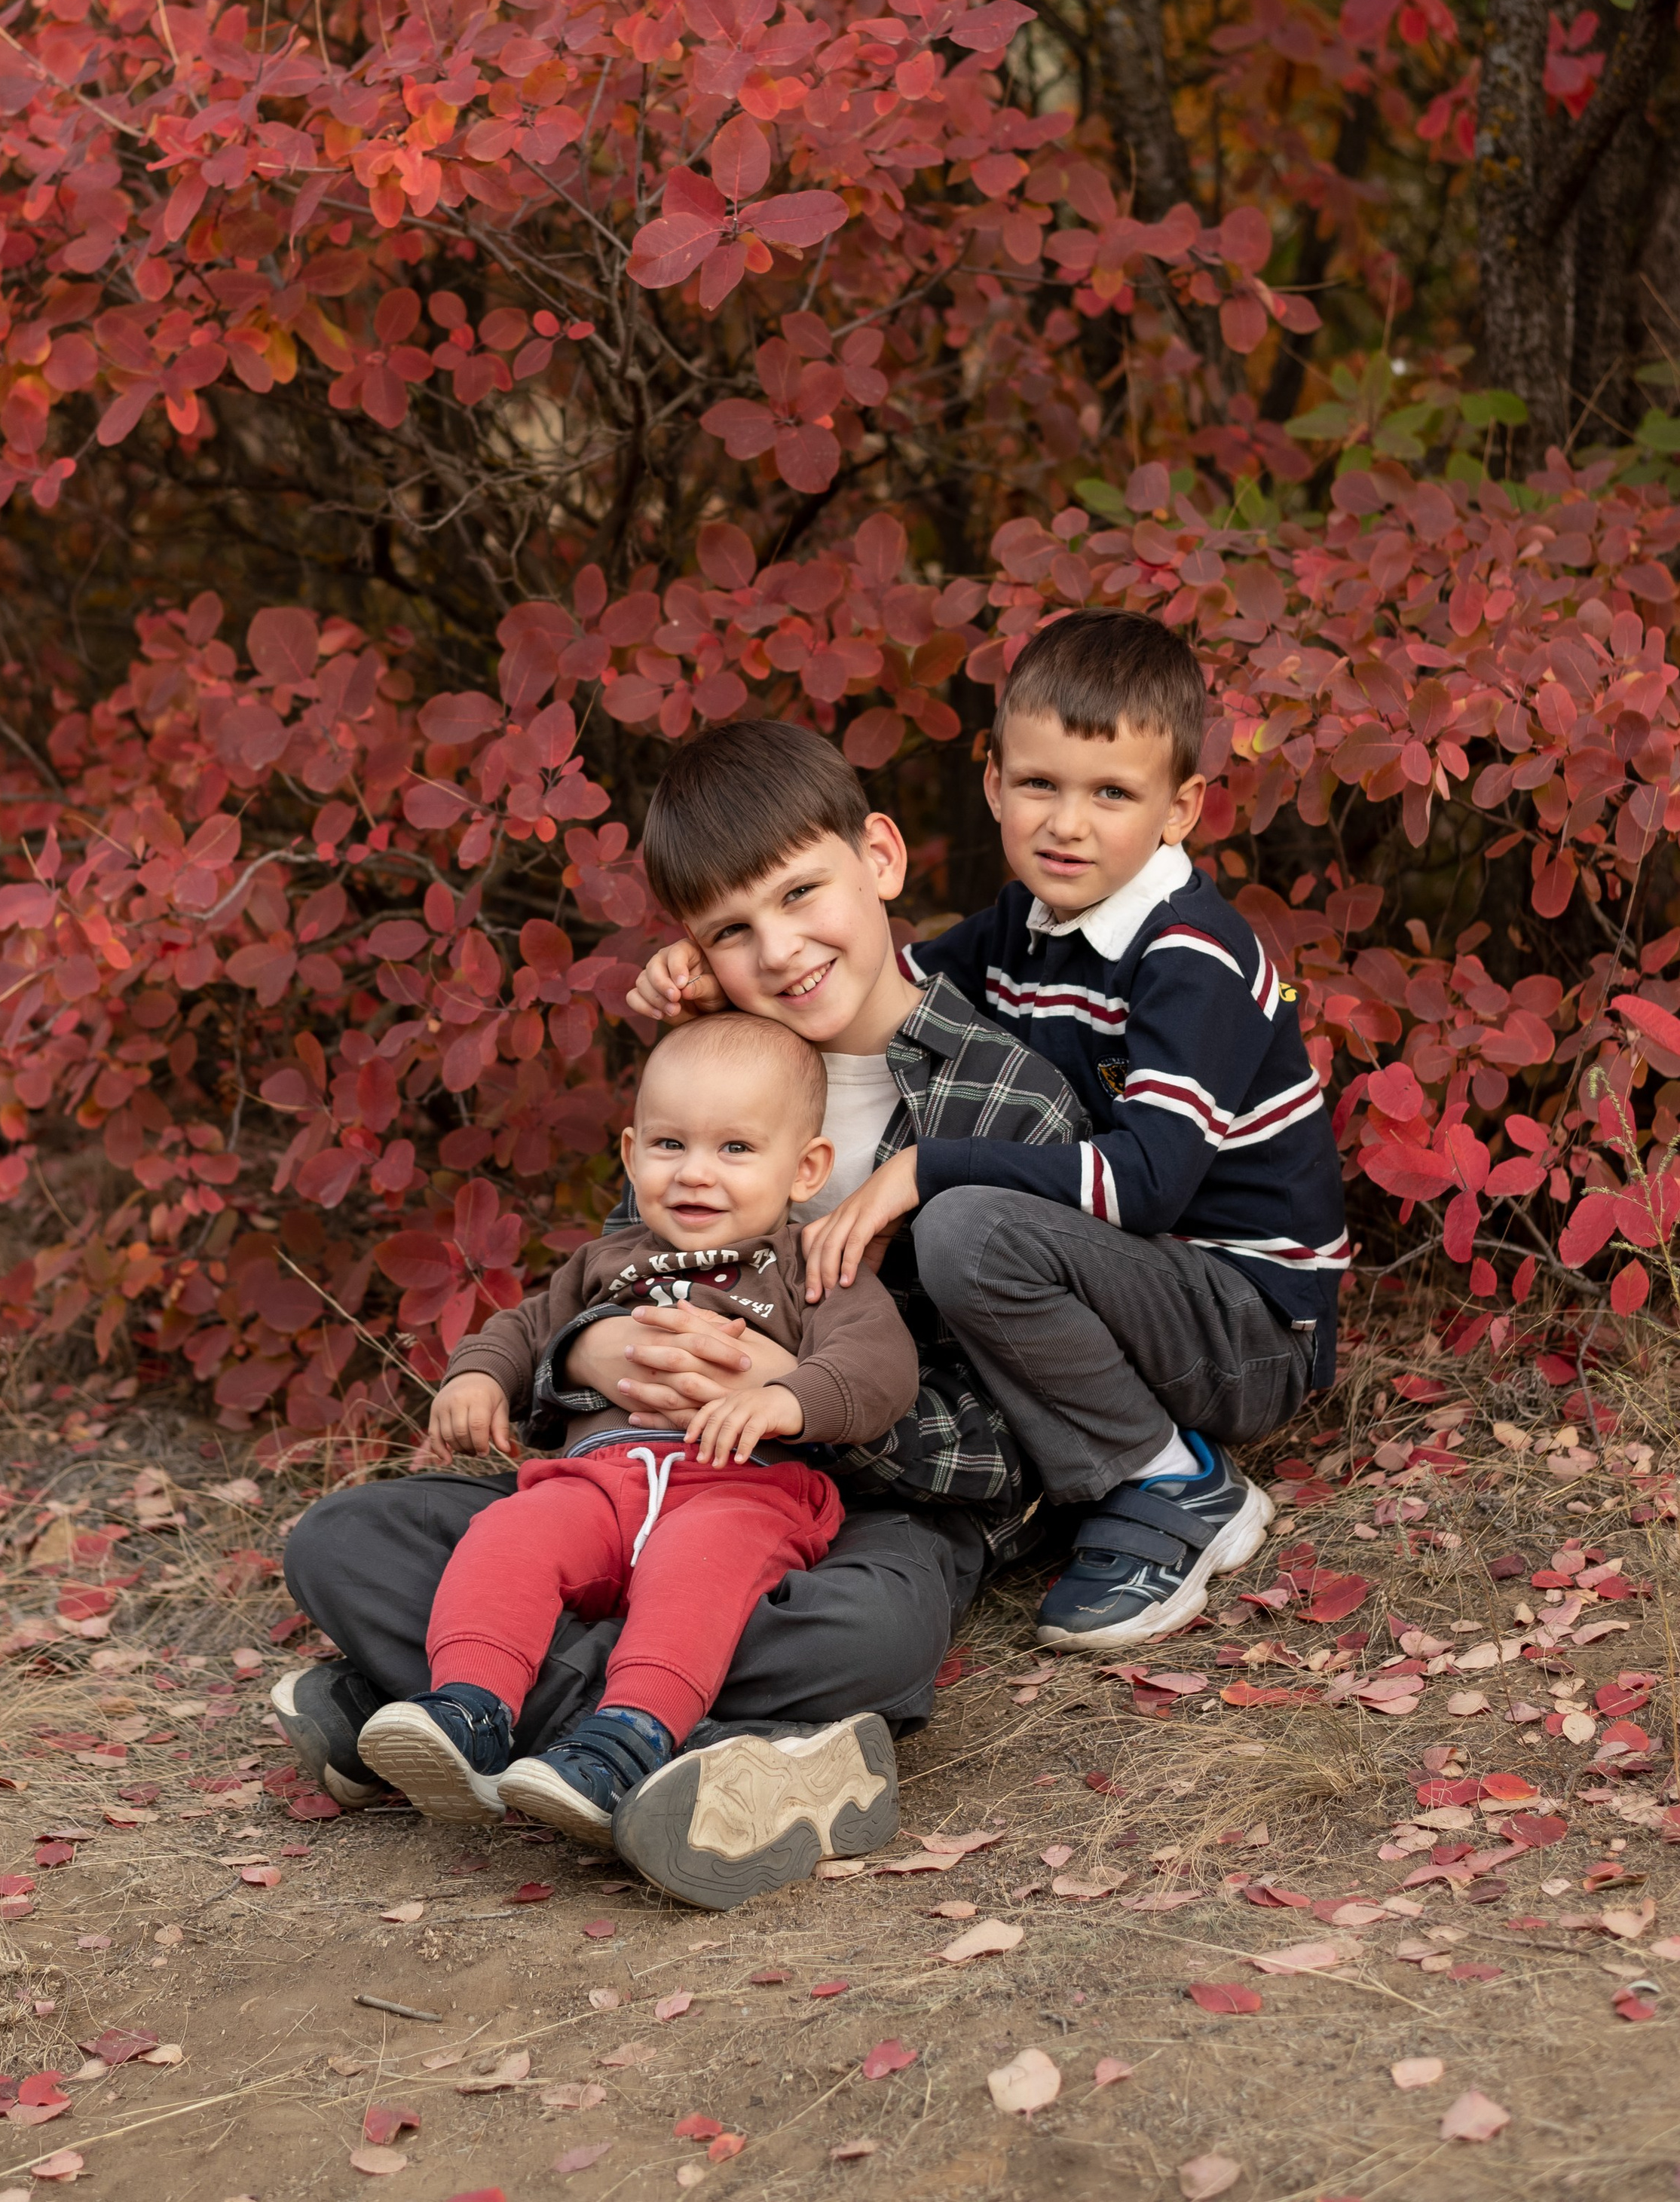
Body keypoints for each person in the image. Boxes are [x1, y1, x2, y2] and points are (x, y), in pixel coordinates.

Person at [274, 721, 1085, 1904]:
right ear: (696, 949)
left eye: (803, 894)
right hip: (634, 1482)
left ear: (883, 858)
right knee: (338, 1542)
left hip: (859, 1517)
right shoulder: (702, 1083)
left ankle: (469, 1705)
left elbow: (1016, 1444)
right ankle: (670, 1742)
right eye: (733, 930)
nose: (783, 950)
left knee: (881, 1638)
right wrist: (585, 1353)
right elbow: (614, 1274)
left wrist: (795, 1399)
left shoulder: (1010, 1094)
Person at [645, 613, 1346, 1650]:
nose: (1068, 823)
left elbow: (1149, 1182)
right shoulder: (1028, 923)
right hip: (1133, 1284)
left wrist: (927, 1166)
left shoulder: (1193, 956)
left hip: (1248, 1319)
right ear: (994, 784)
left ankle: (1177, 1482)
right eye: (1039, 785)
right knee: (975, 1226)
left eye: (1111, 793)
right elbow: (878, 979)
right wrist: (712, 985)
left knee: (969, 1228)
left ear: (1181, 807)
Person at [350, 1013, 920, 1907]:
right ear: (629, 1152)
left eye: (735, 1147)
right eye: (668, 1143)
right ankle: (469, 1709)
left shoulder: (814, 1267)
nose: (694, 1171)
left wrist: (787, 1398)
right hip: (601, 1479)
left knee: (700, 1570)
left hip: (741, 1487)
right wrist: (474, 1379)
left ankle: (628, 1737)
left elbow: (879, 1370)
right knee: (511, 1533)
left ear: (805, 1169)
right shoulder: (605, 1263)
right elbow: (520, 1328)